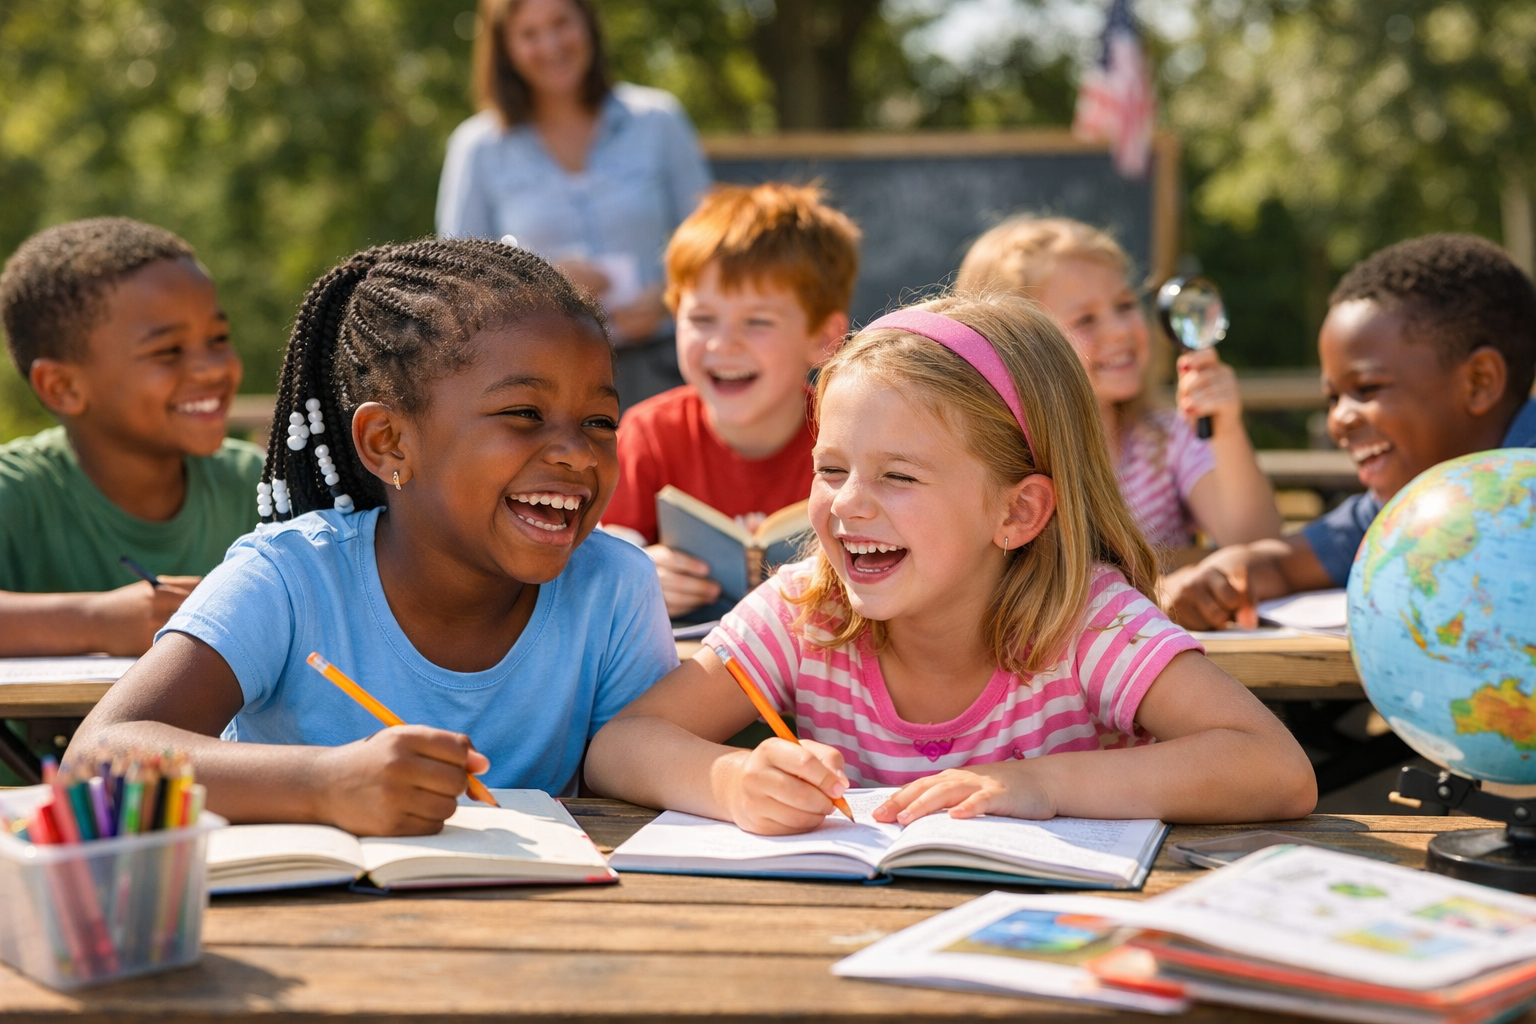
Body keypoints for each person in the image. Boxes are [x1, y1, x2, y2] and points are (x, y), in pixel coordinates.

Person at [585, 294, 1315, 835]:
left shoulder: (1091, 622)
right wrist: (733, 781)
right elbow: (621, 746)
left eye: (898, 476)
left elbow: (1275, 770)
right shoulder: (808, 607)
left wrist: (1041, 783)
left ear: (1017, 513)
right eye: (832, 468)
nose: (847, 507)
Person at [65, 239, 676, 836]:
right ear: (388, 442)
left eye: (600, 421)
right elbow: (94, 759)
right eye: (523, 414)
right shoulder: (287, 579)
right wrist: (324, 784)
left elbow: (631, 802)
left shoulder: (614, 586)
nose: (577, 453)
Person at [1163, 233, 1536, 629]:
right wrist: (1215, 578)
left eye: (1368, 389)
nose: (1339, 419)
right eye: (1333, 398)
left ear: (1479, 382)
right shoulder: (1401, 507)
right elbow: (1285, 563)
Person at [0, 218, 261, 657]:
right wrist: (96, 622)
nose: (213, 368)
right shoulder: (17, 491)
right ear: (64, 387)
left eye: (218, 338)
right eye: (167, 351)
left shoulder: (259, 485)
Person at [600, 183, 859, 619]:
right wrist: (639, 574)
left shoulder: (851, 443)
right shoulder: (648, 435)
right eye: (701, 319)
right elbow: (594, 563)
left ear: (822, 338)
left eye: (757, 321)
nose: (723, 344)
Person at [436, 0, 711, 410]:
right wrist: (544, 286)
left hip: (663, 368)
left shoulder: (658, 120)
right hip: (539, 380)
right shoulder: (477, 147)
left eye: (561, 23)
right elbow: (455, 283)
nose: (550, 44)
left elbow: (715, 244)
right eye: (529, 33)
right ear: (506, 48)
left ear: (588, 26)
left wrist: (670, 296)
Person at [957, 216, 1280, 553]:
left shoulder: (1166, 440)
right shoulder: (1000, 467)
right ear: (1014, 348)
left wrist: (1225, 430)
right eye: (1085, 319)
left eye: (1125, 305)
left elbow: (1258, 544)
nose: (1119, 331)